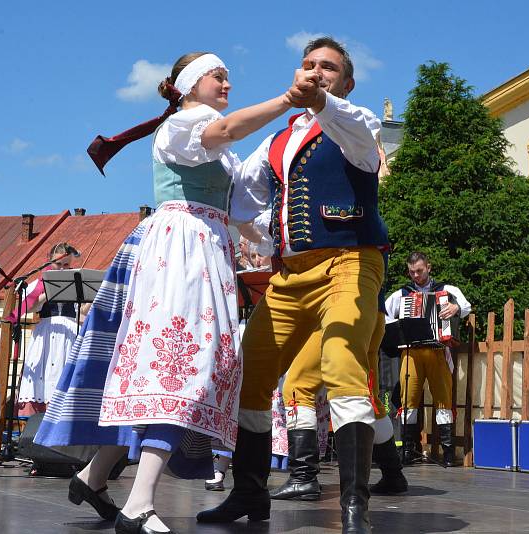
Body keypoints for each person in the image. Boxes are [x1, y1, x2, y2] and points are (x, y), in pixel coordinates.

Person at [35, 51, 293, 534]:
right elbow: (228, 131)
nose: (227, 85)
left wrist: (282, 241)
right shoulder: (184, 127)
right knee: (178, 367)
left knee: (167, 369)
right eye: (220, 77)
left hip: (209, 249)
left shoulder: (217, 142)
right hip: (180, 247)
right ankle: (138, 505)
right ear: (193, 84)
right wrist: (285, 100)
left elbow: (240, 213)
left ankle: (94, 477)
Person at [197, 37, 389, 534]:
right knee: (253, 373)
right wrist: (266, 234)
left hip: (349, 261)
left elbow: (361, 149)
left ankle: (354, 509)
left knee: (343, 364)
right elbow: (244, 201)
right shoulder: (278, 140)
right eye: (309, 65)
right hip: (290, 274)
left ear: (345, 82)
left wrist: (323, 102)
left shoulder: (358, 120)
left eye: (328, 67)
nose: (316, 72)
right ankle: (248, 494)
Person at [270, 312, 408, 502]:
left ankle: (302, 478)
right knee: (369, 397)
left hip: (337, 311)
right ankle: (393, 475)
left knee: (297, 388)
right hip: (374, 313)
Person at [384, 251, 471, 466]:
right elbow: (384, 315)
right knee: (408, 400)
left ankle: (448, 452)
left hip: (438, 350)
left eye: (420, 271)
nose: (416, 276)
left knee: (443, 399)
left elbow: (467, 306)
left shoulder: (446, 290)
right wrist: (398, 327)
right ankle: (407, 449)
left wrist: (455, 308)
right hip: (411, 352)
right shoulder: (401, 294)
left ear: (429, 268)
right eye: (412, 272)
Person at [16, 243, 81, 416]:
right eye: (58, 264)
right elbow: (27, 308)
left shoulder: (77, 281)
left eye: (66, 264)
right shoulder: (40, 283)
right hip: (46, 331)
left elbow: (81, 314)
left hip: (69, 333)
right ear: (49, 261)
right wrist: (47, 293)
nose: (62, 268)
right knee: (42, 374)